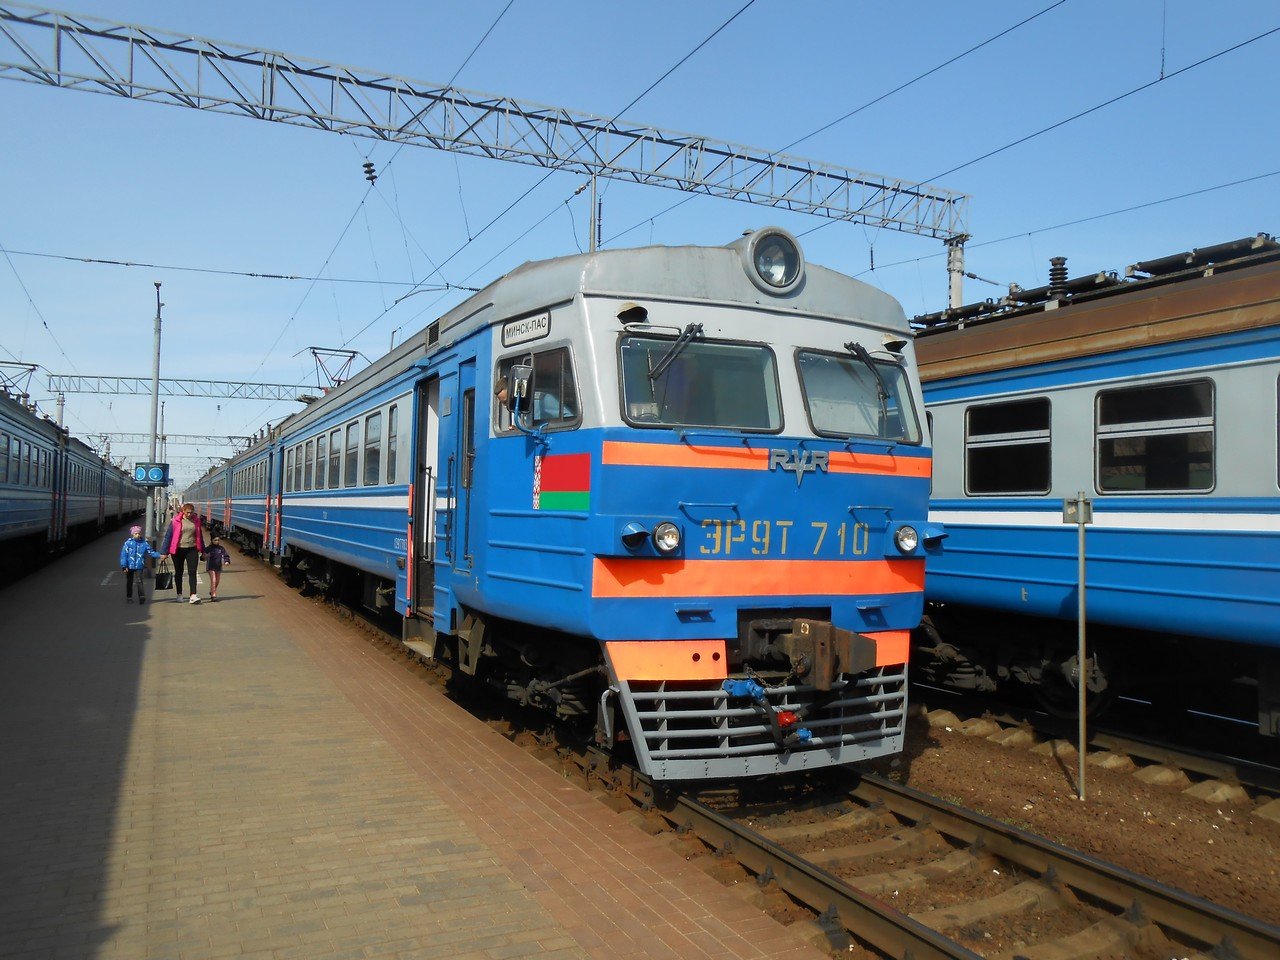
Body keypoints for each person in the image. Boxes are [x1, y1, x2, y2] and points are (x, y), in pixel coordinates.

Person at [164, 502, 207, 604]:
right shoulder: (175, 521)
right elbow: (168, 536)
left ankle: (193, 595)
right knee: (179, 572)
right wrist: (164, 552)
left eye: (191, 512)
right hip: (178, 550)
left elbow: (199, 536)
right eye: (187, 512)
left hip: (192, 549)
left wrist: (203, 551)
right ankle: (179, 594)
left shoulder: (196, 521)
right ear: (183, 511)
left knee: (192, 572)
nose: (189, 514)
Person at [119, 525, 163, 604]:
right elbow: (124, 555)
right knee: (129, 581)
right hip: (129, 566)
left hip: (139, 565)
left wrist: (159, 556)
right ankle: (129, 597)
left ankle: (141, 596)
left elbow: (151, 552)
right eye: (135, 533)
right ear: (132, 534)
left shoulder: (144, 543)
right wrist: (124, 565)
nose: (137, 535)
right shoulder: (128, 543)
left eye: (139, 533)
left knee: (139, 581)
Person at [204, 537, 231, 602]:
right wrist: (204, 557)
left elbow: (225, 555)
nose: (217, 541)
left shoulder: (221, 548)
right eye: (215, 540)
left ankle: (212, 590)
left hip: (218, 567)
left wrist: (226, 561)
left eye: (218, 540)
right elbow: (203, 556)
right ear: (212, 540)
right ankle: (213, 595)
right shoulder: (208, 548)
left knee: (217, 581)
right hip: (210, 566)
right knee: (213, 580)